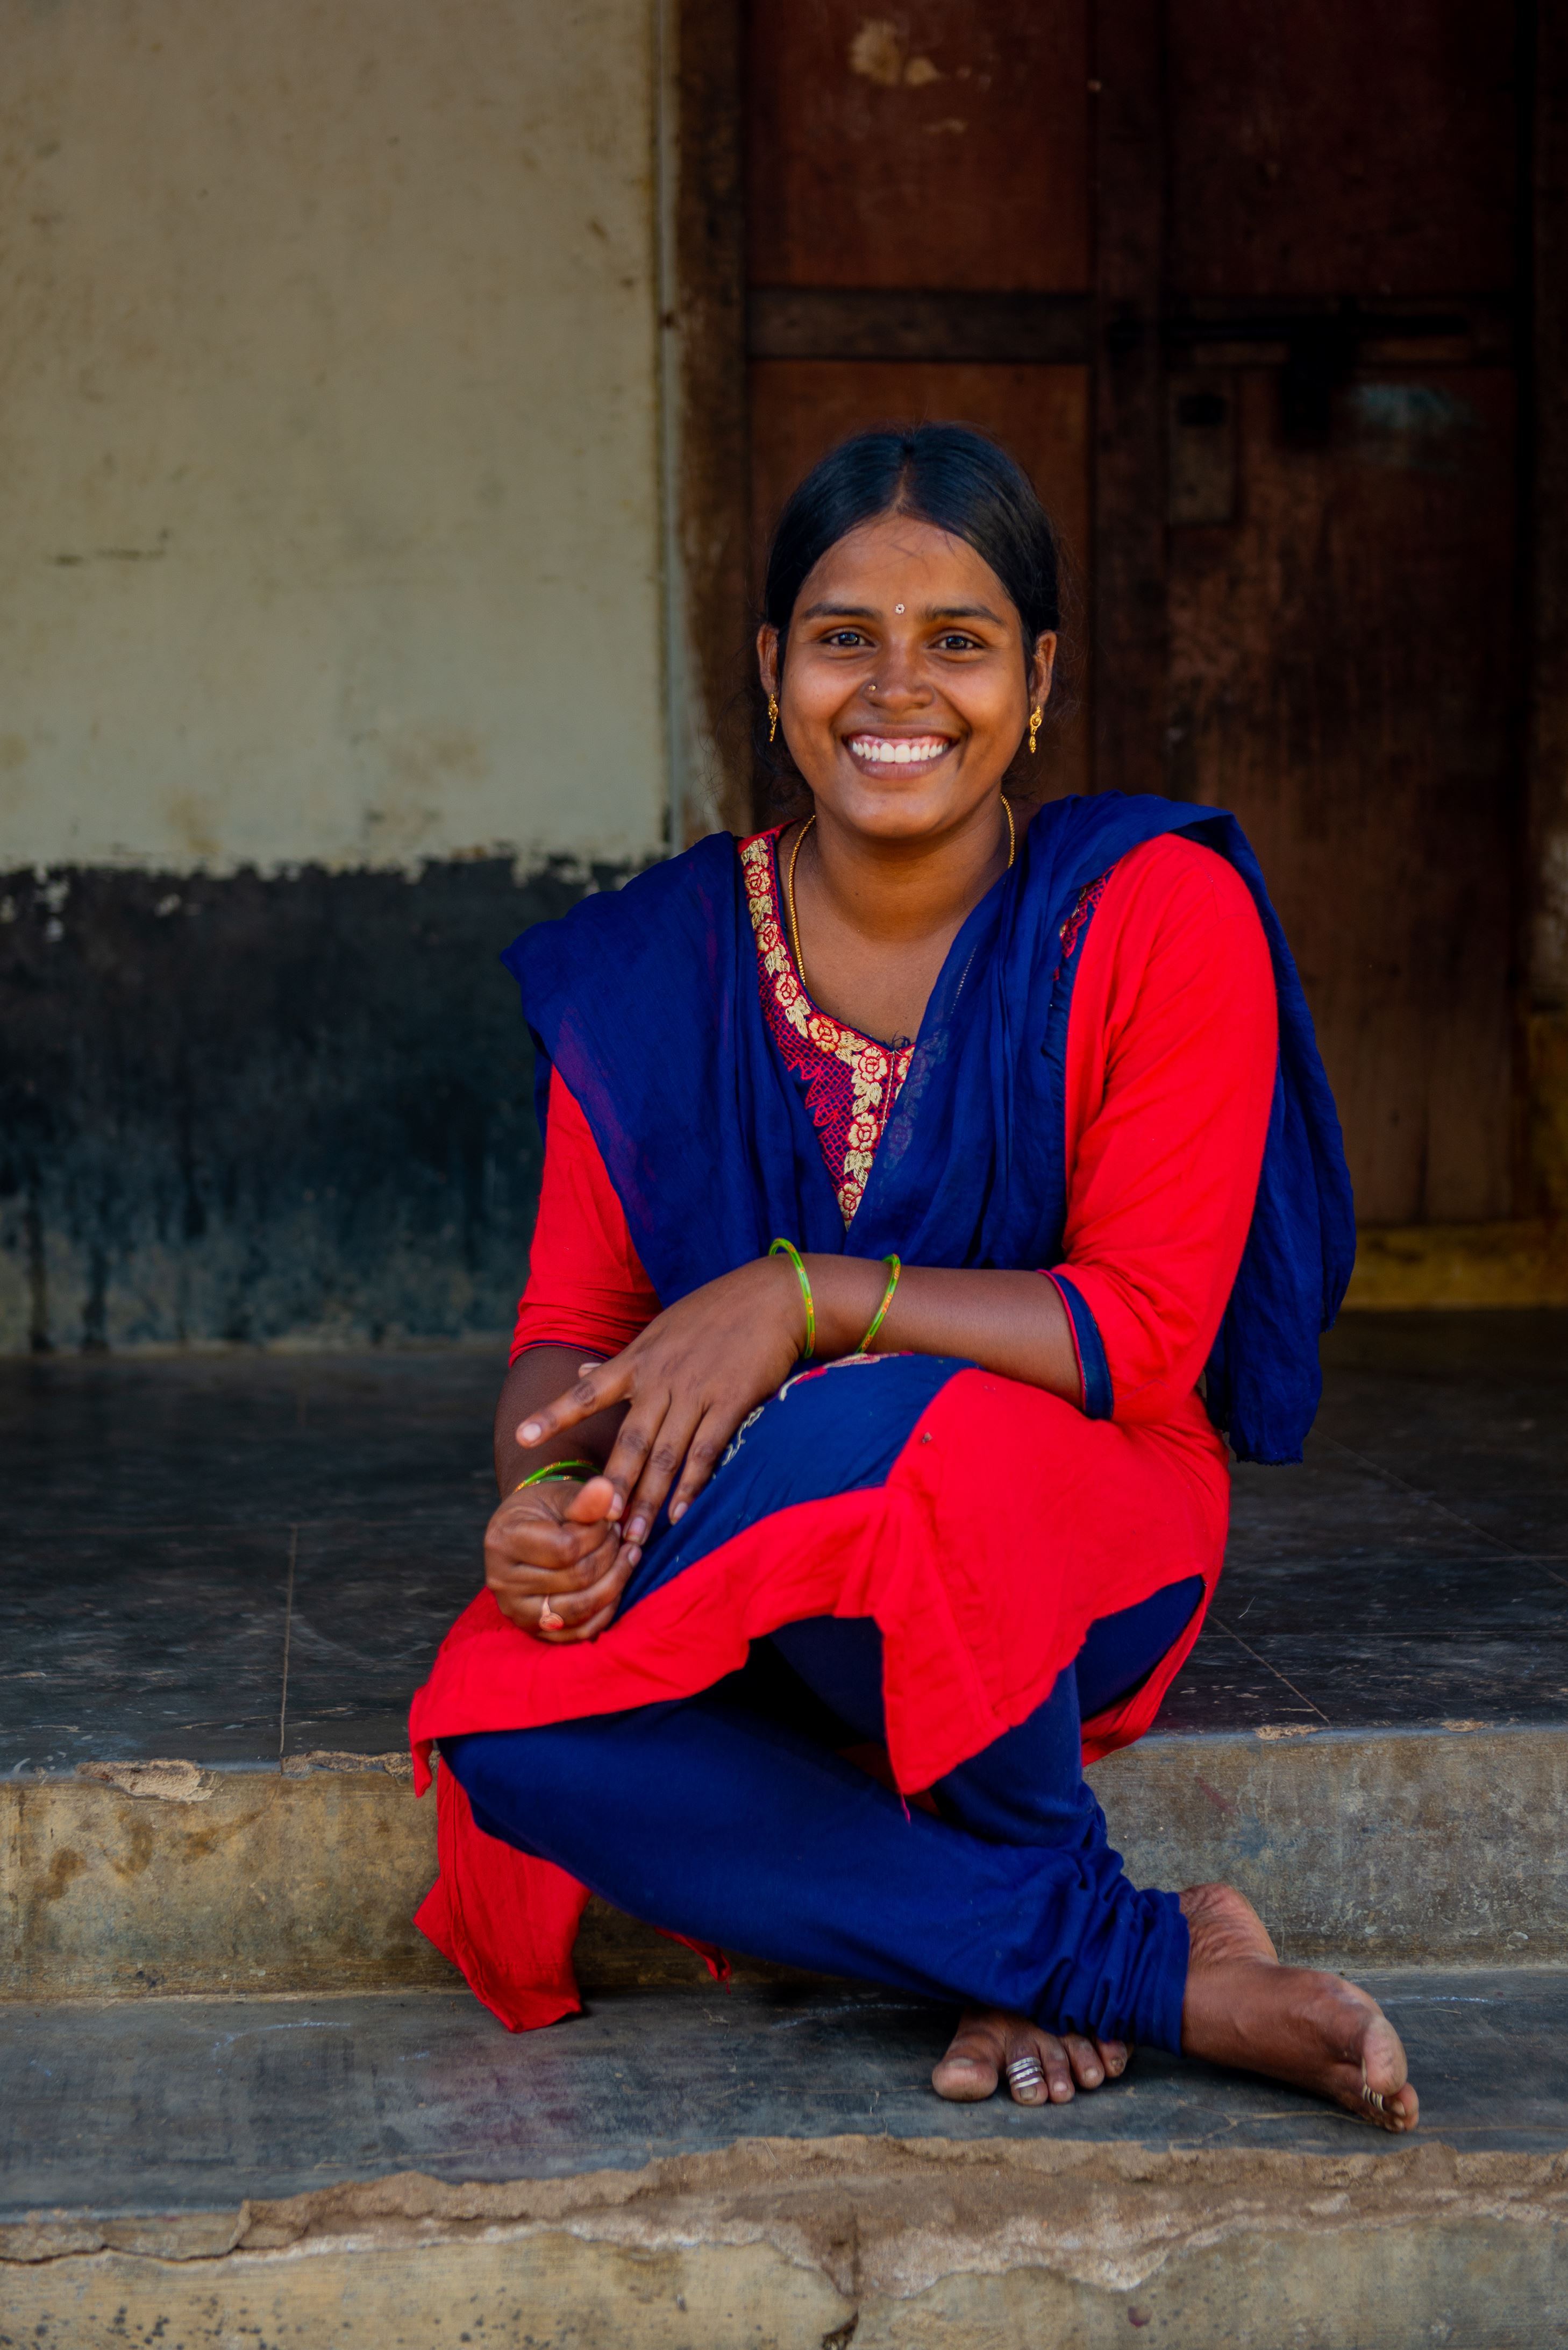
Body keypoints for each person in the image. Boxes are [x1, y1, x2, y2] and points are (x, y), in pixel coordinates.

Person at [409, 424, 1417, 2132]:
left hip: (1076, 1526)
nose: (897, 688)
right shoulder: (656, 964)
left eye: (956, 640)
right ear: (772, 671)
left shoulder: (1155, 913)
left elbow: (1145, 1334)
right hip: (771, 1551)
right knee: (503, 1715)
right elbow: (570, 1341)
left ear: (1035, 681)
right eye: (839, 637)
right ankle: (1113, 1953)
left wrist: (803, 1297)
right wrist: (559, 1488)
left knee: (912, 1428)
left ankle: (1025, 1919)